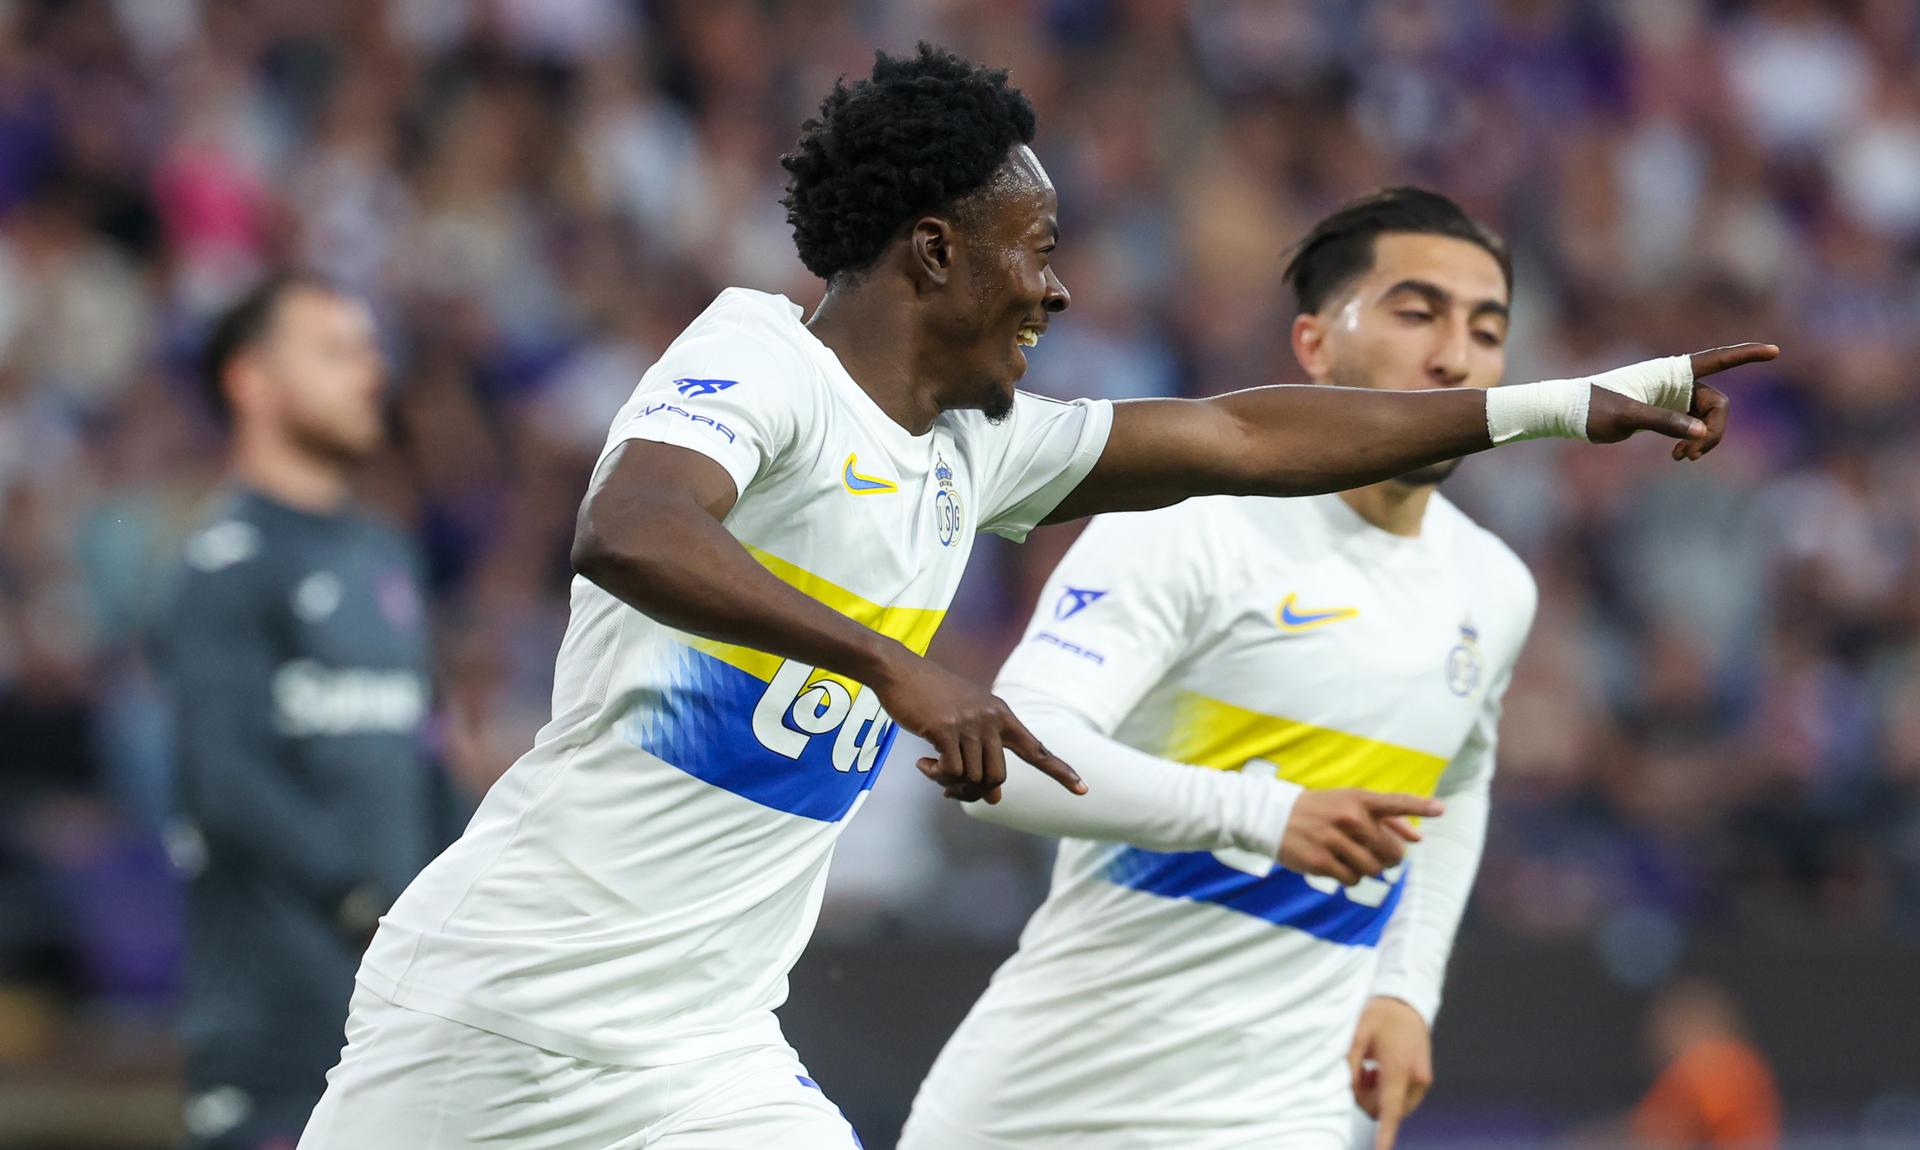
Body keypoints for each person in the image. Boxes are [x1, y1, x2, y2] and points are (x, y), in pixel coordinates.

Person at [299, 46, 1769, 1150]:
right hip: (503, 1000)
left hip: (700, 1049)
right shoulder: (762, 357)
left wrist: (1578, 405)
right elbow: (629, 526)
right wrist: (890, 660)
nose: (1057, 292)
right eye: (1036, 250)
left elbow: (1250, 436)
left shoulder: (984, 449)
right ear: (936, 250)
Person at [899, 187, 1546, 1150]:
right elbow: (1015, 765)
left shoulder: (1494, 587)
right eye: (1418, 314)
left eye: (1486, 330)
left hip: (1289, 1114)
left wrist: (1407, 989)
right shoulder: (1189, 523)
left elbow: (1458, 786)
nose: (1456, 356)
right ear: (1315, 345)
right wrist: (1263, 813)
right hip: (1055, 1109)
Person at [160, 273, 458, 1149]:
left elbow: (425, 754)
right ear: (249, 382)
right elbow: (227, 780)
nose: (370, 374)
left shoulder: (384, 552)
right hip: (277, 1029)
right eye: (335, 352)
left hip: (402, 1024)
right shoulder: (225, 564)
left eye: (370, 351)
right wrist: (367, 901)